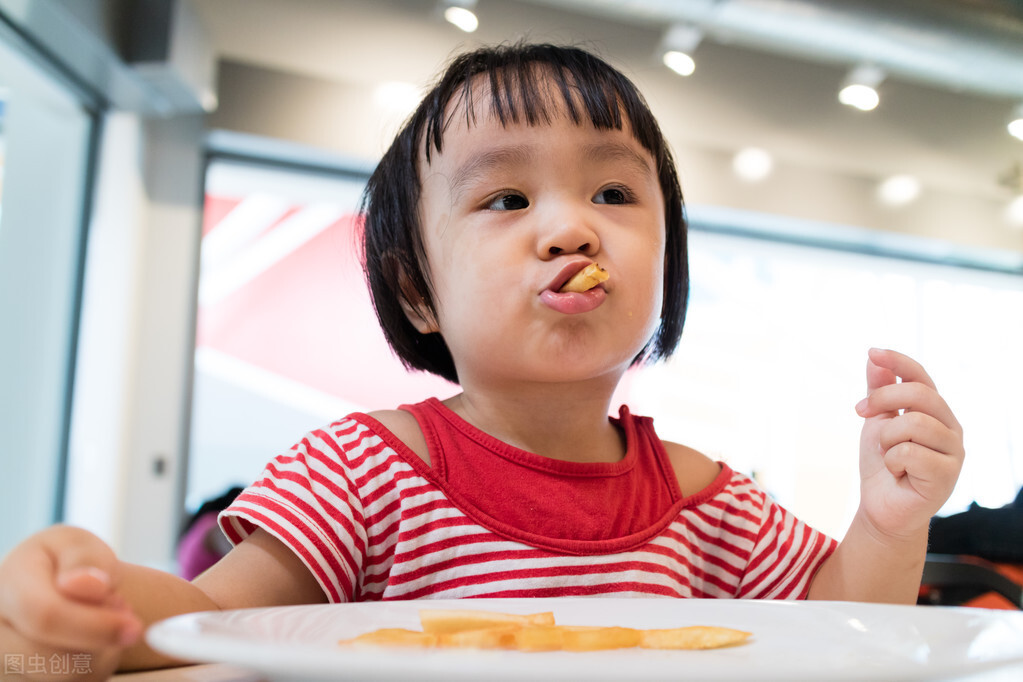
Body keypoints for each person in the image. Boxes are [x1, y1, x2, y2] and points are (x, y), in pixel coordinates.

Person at [0, 42, 965, 679]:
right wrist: (95, 592)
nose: (569, 227)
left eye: (616, 194)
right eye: (505, 200)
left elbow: (846, 632)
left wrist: (887, 518)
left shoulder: (704, 500)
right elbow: (209, 621)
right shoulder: (363, 472)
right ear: (416, 289)